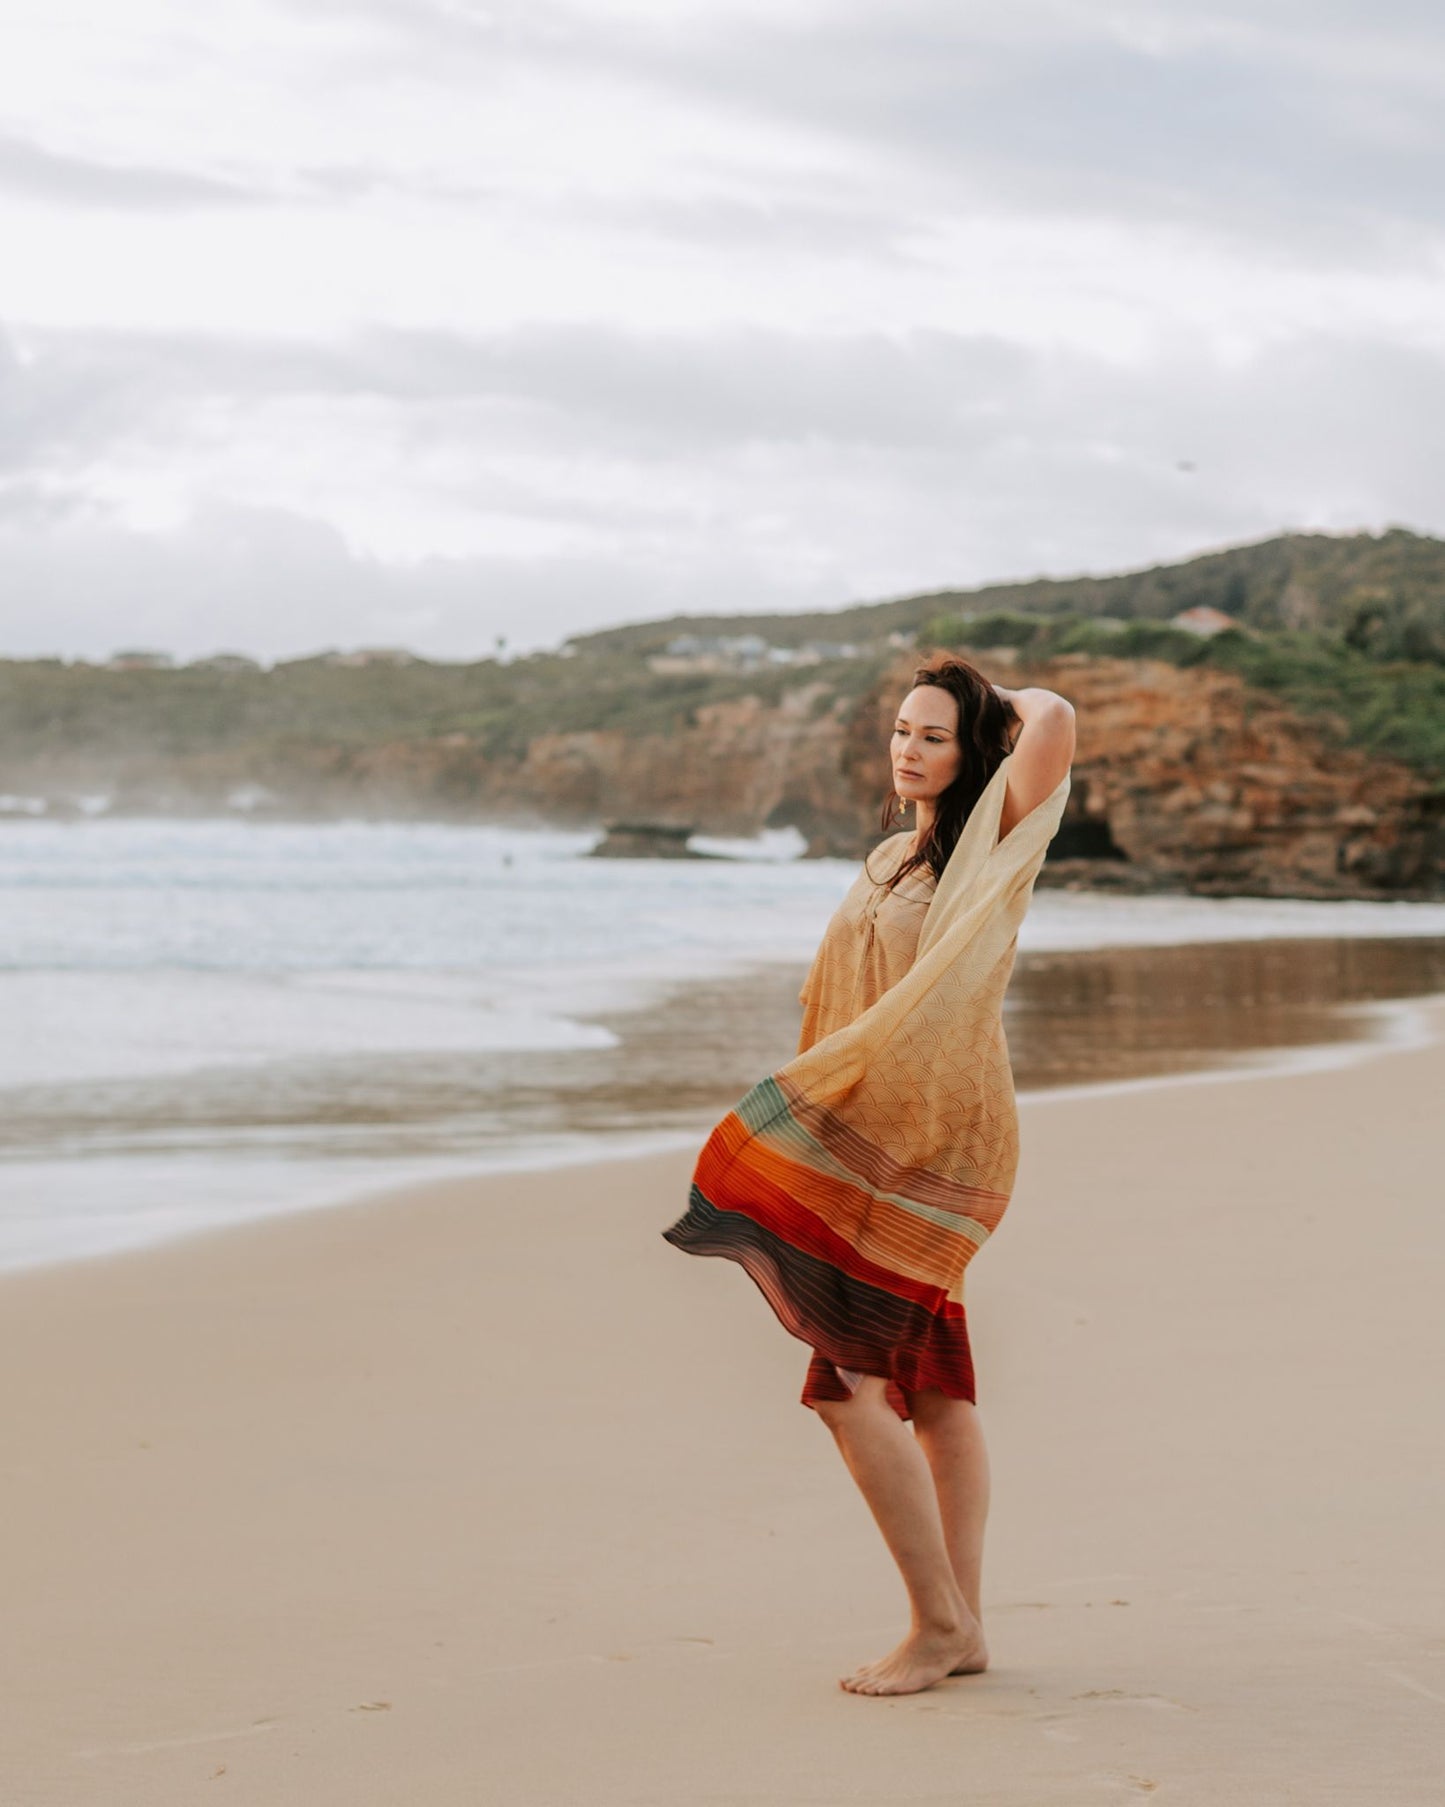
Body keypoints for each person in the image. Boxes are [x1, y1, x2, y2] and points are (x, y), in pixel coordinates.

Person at [663, 652, 1075, 1696]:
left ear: (974, 750)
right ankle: (964, 1627)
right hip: (868, 1129)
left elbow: (1053, 713)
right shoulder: (891, 855)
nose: (908, 747)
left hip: (933, 1131)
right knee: (929, 1387)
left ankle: (934, 1623)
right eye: (900, 729)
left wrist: (980, 706)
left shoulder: (985, 855)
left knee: (847, 1388)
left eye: (932, 734)